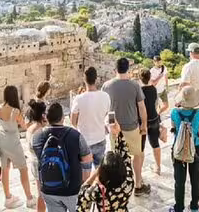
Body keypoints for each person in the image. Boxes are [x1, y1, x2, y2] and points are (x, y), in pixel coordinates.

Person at [101, 57, 150, 195]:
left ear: (114, 70)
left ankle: (119, 185)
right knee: (138, 155)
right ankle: (138, 184)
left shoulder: (106, 86)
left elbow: (105, 109)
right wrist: (144, 125)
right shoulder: (134, 85)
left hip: (114, 129)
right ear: (128, 69)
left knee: (117, 158)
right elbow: (142, 107)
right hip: (132, 127)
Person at [32, 103, 93, 212]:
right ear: (63, 118)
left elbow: (38, 161)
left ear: (46, 117)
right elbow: (87, 159)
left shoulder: (36, 137)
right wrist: (85, 182)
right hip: (72, 189)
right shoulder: (75, 135)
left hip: (49, 189)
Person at [76, 122, 134, 212]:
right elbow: (126, 155)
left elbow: (82, 194)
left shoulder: (97, 191)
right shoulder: (129, 180)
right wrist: (119, 133)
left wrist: (95, 173)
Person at [0, 85, 36, 208]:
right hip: (13, 141)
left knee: (5, 169)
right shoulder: (15, 111)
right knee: (23, 169)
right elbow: (24, 126)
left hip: (1, 139)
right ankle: (29, 197)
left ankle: (8, 197)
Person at [170, 86, 199, 212]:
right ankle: (194, 207)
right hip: (195, 150)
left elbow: (173, 129)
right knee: (196, 180)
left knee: (179, 181)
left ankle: (179, 207)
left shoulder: (174, 113)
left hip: (178, 150)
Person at [70, 66, 111, 169]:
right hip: (100, 138)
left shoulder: (78, 99)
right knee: (100, 171)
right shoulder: (105, 96)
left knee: (85, 173)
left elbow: (73, 122)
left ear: (84, 79)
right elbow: (106, 114)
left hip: (84, 141)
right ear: (96, 79)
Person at [139, 69, 163, 174]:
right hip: (154, 118)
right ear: (149, 77)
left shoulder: (139, 91)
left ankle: (138, 170)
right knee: (155, 144)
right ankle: (158, 167)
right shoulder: (153, 89)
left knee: (141, 148)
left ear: (140, 78)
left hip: (143, 121)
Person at [26, 99, 47, 212]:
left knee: (40, 192)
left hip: (34, 162)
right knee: (42, 194)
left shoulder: (30, 128)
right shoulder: (41, 130)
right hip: (41, 164)